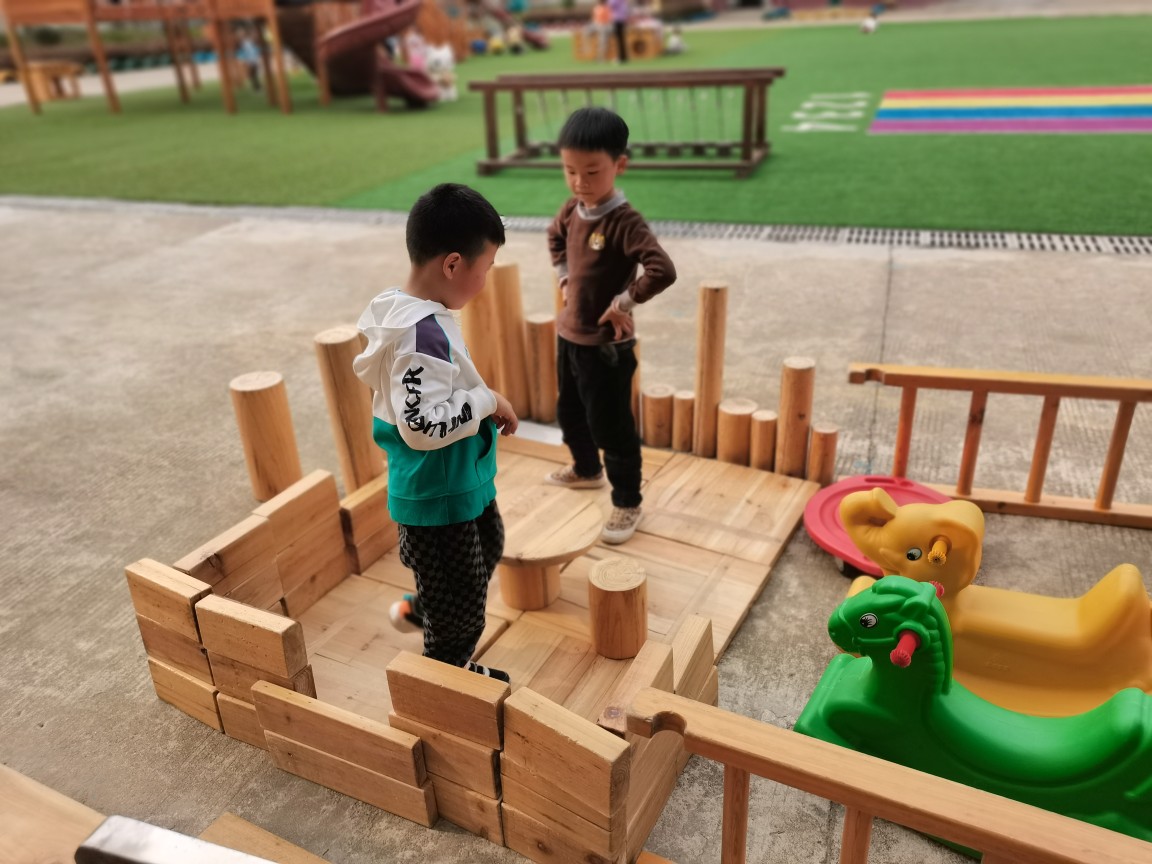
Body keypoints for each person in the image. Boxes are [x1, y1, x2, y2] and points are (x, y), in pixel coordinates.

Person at [353, 183, 519, 683]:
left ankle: (428, 604)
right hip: (438, 490)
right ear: (452, 265)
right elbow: (422, 426)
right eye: (485, 268)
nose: (484, 281)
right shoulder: (419, 334)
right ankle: (447, 678)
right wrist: (487, 400)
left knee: (488, 546)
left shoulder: (405, 308)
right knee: (464, 606)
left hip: (459, 479)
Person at [545, 107, 676, 545]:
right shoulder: (573, 209)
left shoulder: (624, 221)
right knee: (569, 412)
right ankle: (586, 470)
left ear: (620, 165)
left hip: (606, 346)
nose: (579, 182)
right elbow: (554, 236)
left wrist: (624, 301)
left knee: (611, 426)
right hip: (569, 335)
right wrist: (564, 275)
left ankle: (627, 501)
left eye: (591, 171)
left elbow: (662, 269)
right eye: (570, 171)